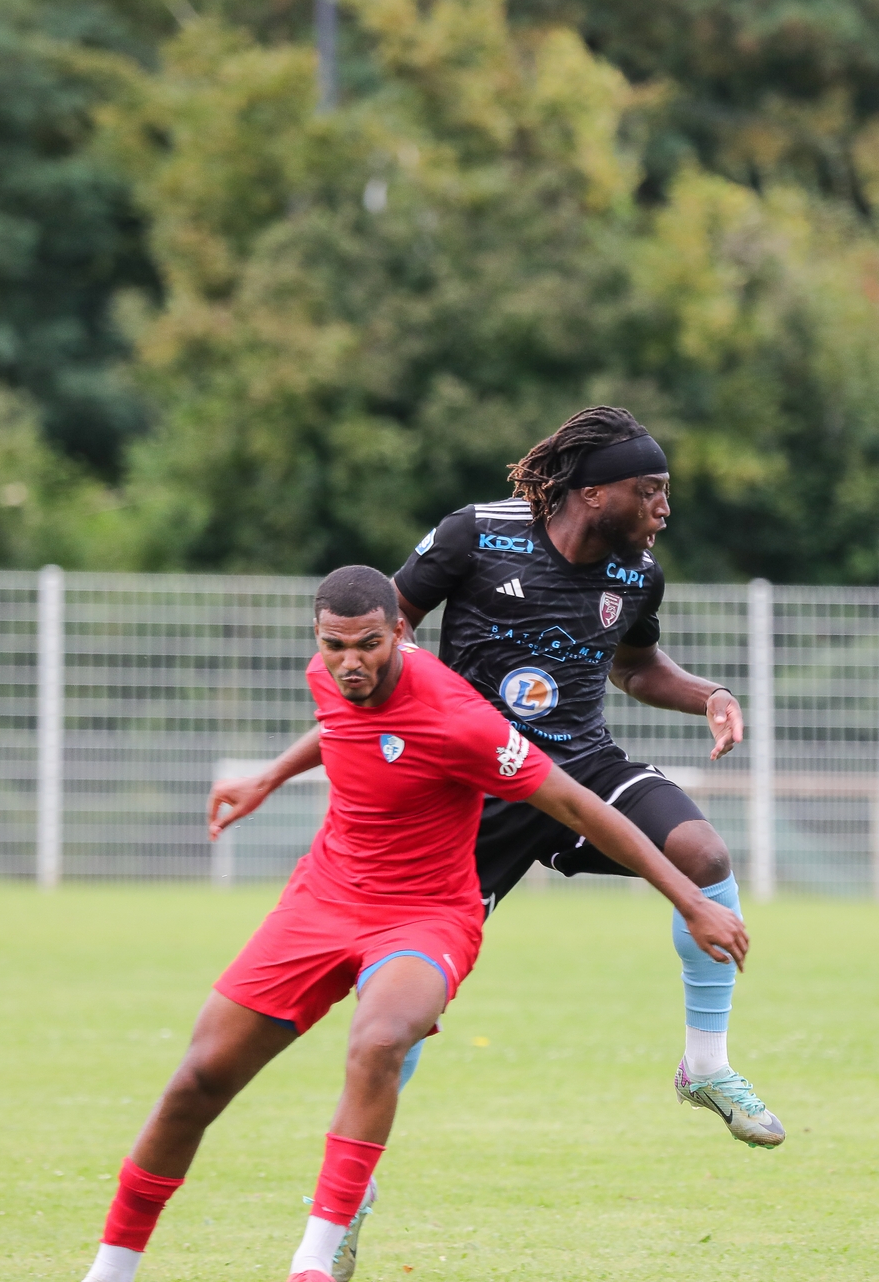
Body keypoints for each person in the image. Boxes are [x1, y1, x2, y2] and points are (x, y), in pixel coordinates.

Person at [79, 565, 748, 1282]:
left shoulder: (461, 719)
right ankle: (110, 1271)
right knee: (199, 1078)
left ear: (400, 632)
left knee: (379, 1040)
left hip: (424, 917)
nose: (350, 662)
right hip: (321, 901)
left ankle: (313, 1261)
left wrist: (690, 898)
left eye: (368, 644)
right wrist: (267, 777)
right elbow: (341, 726)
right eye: (334, 645)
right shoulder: (328, 674)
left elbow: (578, 806)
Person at [211, 406, 785, 1157]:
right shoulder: (476, 534)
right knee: (409, 1001)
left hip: (581, 766)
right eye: (649, 491)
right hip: (471, 783)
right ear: (594, 494)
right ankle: (357, 1175)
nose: (663, 508)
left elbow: (637, 667)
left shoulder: (638, 573)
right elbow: (383, 639)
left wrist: (709, 694)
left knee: (703, 855)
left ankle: (705, 1067)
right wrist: (293, 765)